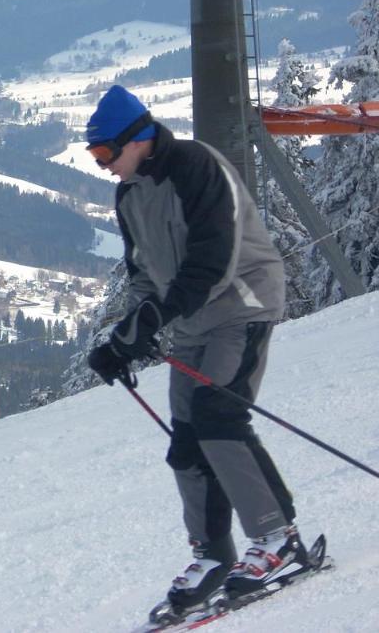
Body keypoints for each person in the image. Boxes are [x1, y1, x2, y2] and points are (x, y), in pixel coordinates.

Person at [84, 85, 307, 624]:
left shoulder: (194, 166)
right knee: (186, 440)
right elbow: (143, 276)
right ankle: (212, 554)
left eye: (105, 154)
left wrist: (157, 318)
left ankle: (278, 538)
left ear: (137, 139)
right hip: (192, 322)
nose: (103, 166)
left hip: (242, 304)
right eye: (95, 157)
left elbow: (214, 261)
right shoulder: (130, 193)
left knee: (218, 417)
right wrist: (124, 336)